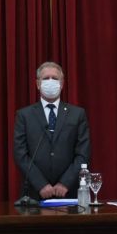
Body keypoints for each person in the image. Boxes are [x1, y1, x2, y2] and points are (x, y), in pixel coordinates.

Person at [13, 61, 91, 199]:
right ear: (38, 84)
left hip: (69, 192)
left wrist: (65, 183)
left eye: (55, 78)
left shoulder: (77, 114)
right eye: (45, 78)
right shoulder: (24, 115)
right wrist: (41, 184)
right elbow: (21, 154)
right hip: (34, 194)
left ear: (62, 84)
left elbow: (83, 154)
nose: (50, 81)